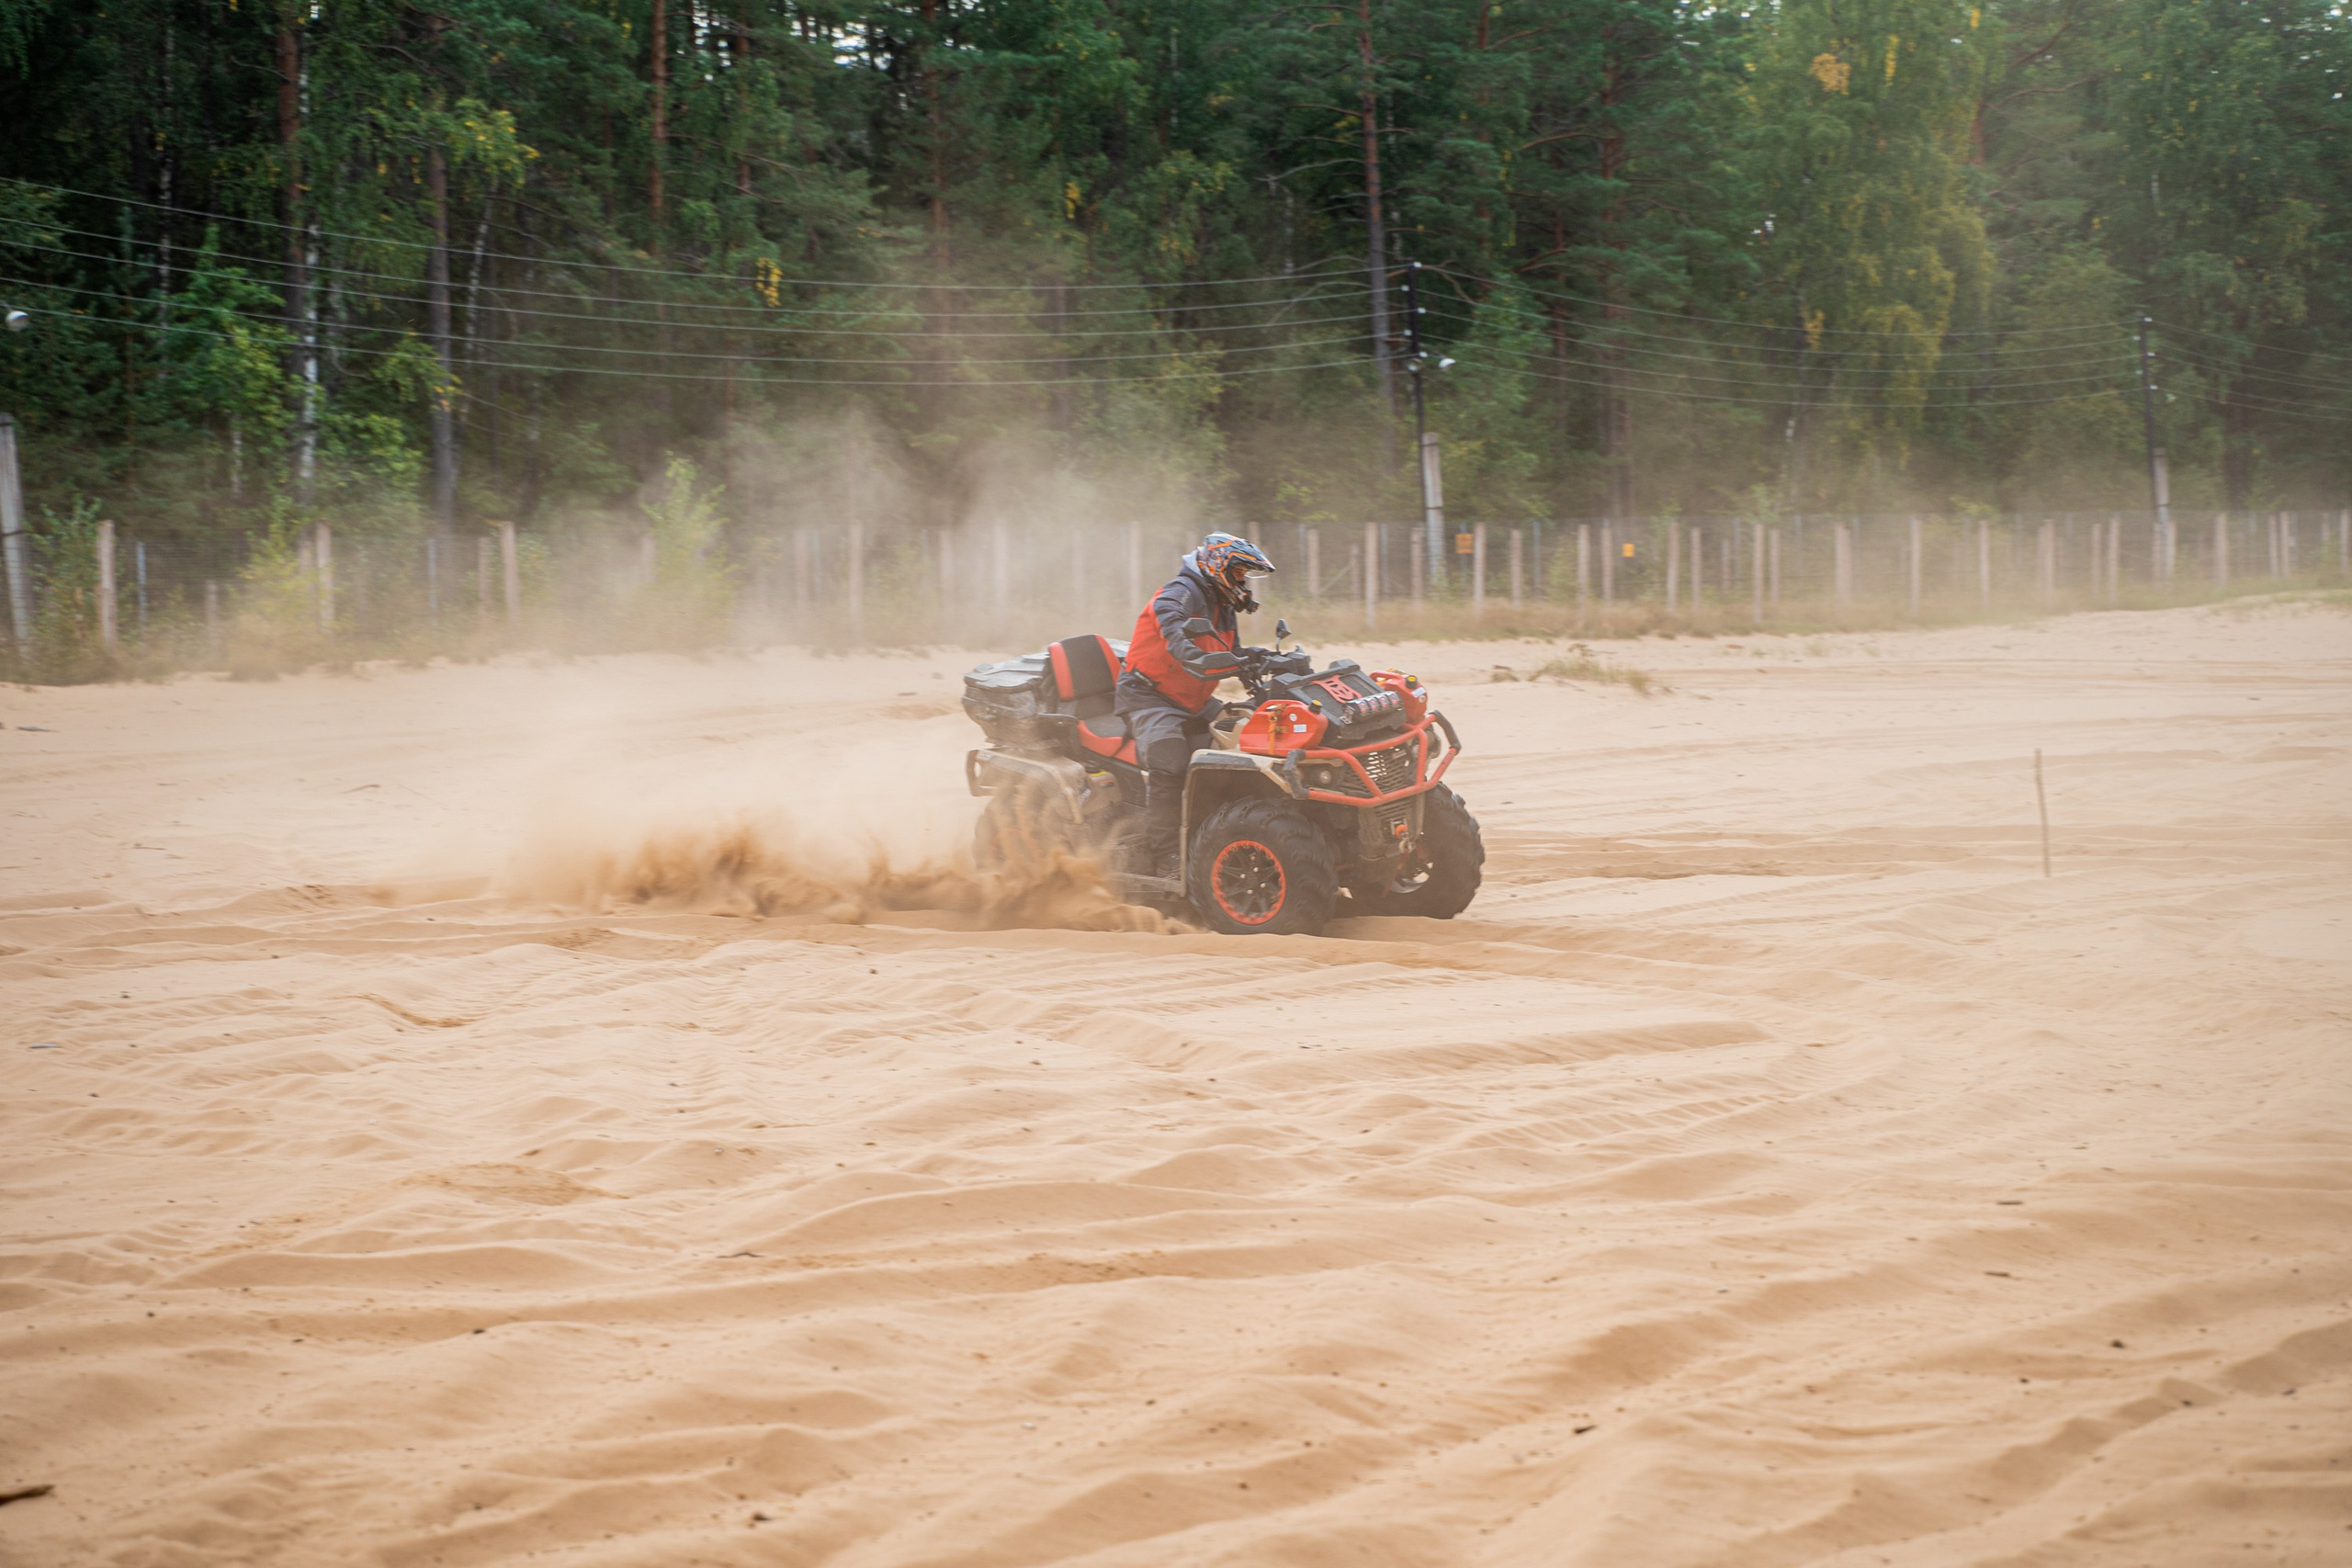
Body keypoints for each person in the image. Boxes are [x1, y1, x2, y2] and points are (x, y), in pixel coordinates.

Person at [1116, 531, 1276, 876]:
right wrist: (1187, 650)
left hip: (1192, 698)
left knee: (1245, 740)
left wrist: (1267, 658)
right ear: (1218, 566)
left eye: (1245, 576)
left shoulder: (1221, 604)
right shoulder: (1181, 591)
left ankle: (1214, 834)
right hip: (1149, 696)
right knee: (1170, 763)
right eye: (1238, 573)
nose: (1242, 582)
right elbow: (1171, 623)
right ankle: (1165, 857)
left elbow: (1230, 654)